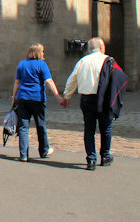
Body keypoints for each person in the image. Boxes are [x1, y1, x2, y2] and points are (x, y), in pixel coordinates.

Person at [62, 36, 112, 170]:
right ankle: (105, 156)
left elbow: (72, 80)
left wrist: (67, 96)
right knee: (106, 128)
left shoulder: (83, 61)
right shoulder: (108, 60)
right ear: (102, 48)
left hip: (86, 98)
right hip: (104, 99)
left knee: (89, 129)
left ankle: (91, 159)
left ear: (89, 49)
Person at [11, 42, 65, 162]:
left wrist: (14, 98)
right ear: (39, 52)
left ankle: (24, 154)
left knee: (23, 127)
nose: (44, 53)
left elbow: (17, 82)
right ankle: (44, 150)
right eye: (43, 51)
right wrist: (58, 97)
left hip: (22, 98)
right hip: (37, 98)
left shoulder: (22, 64)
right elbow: (49, 81)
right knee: (40, 125)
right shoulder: (41, 64)